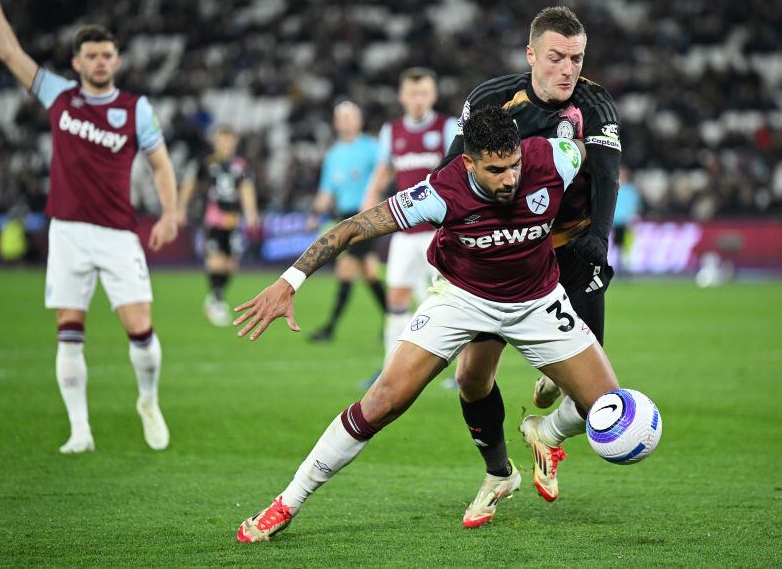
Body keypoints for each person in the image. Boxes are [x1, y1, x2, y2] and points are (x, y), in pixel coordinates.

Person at [232, 106, 622, 542]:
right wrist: (290, 281)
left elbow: (594, 158)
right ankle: (286, 503)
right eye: (496, 170)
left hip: (538, 302)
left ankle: (545, 433)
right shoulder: (439, 191)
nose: (510, 179)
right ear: (468, 162)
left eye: (514, 166)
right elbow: (353, 228)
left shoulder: (554, 157)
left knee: (609, 409)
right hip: (463, 298)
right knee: (383, 401)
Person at [0, 0, 179, 453]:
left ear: (118, 60)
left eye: (107, 54)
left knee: (141, 329)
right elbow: (8, 54)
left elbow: (161, 163)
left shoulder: (136, 110)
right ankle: (80, 431)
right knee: (69, 329)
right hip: (65, 230)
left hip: (116, 231)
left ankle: (148, 400)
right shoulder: (59, 96)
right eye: (91, 55)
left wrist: (171, 212)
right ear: (77, 62)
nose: (100, 61)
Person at [439, 6, 622, 522]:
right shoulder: (492, 98)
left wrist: (600, 241)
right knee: (473, 378)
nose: (568, 69)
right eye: (557, 57)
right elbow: (452, 170)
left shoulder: (595, 104)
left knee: (594, 402)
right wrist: (456, 238)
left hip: (573, 243)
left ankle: (546, 428)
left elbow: (607, 177)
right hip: (508, 248)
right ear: (532, 55)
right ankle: (499, 470)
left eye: (577, 58)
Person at [360, 68, 458, 365]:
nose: (418, 100)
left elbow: (460, 170)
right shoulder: (392, 131)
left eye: (424, 93)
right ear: (402, 97)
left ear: (434, 96)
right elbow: (383, 171)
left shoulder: (447, 126)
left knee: (455, 301)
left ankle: (461, 372)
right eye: (413, 94)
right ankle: (391, 367)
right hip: (405, 231)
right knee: (396, 299)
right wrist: (368, 205)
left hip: (440, 231)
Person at [306, 101, 386, 343]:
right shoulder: (333, 155)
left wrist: (375, 199)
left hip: (367, 215)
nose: (347, 121)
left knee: (348, 269)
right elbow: (326, 191)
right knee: (368, 272)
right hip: (344, 216)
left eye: (351, 116)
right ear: (336, 122)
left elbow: (386, 174)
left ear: (359, 120)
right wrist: (315, 214)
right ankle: (395, 321)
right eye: (342, 117)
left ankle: (330, 328)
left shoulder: (372, 148)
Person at [178, 124, 259, 326]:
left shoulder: (240, 165)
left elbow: (246, 189)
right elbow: (190, 185)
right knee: (215, 260)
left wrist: (251, 214)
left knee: (231, 264)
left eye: (230, 139)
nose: (227, 143)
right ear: (215, 140)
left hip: (233, 219)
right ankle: (216, 300)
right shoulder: (205, 163)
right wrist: (180, 209)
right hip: (213, 218)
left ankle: (216, 296)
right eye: (223, 139)